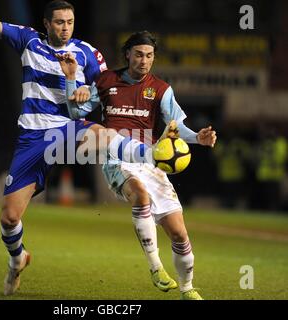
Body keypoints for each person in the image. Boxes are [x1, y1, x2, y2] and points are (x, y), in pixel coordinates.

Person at [0, 0, 160, 296]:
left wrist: (88, 88)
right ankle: (17, 260)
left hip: (66, 127)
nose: (65, 28)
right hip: (33, 137)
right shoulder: (28, 40)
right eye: (60, 22)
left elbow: (108, 86)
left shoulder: (87, 53)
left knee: (101, 133)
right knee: (9, 218)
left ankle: (155, 155)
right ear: (47, 23)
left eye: (70, 22)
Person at [57, 31, 217, 300]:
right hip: (116, 157)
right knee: (140, 197)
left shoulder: (162, 89)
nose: (144, 61)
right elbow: (76, 113)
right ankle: (156, 268)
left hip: (150, 160)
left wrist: (198, 138)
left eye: (150, 56)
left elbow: (176, 127)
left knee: (179, 234)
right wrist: (71, 79)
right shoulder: (106, 81)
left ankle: (187, 288)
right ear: (128, 54)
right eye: (140, 54)